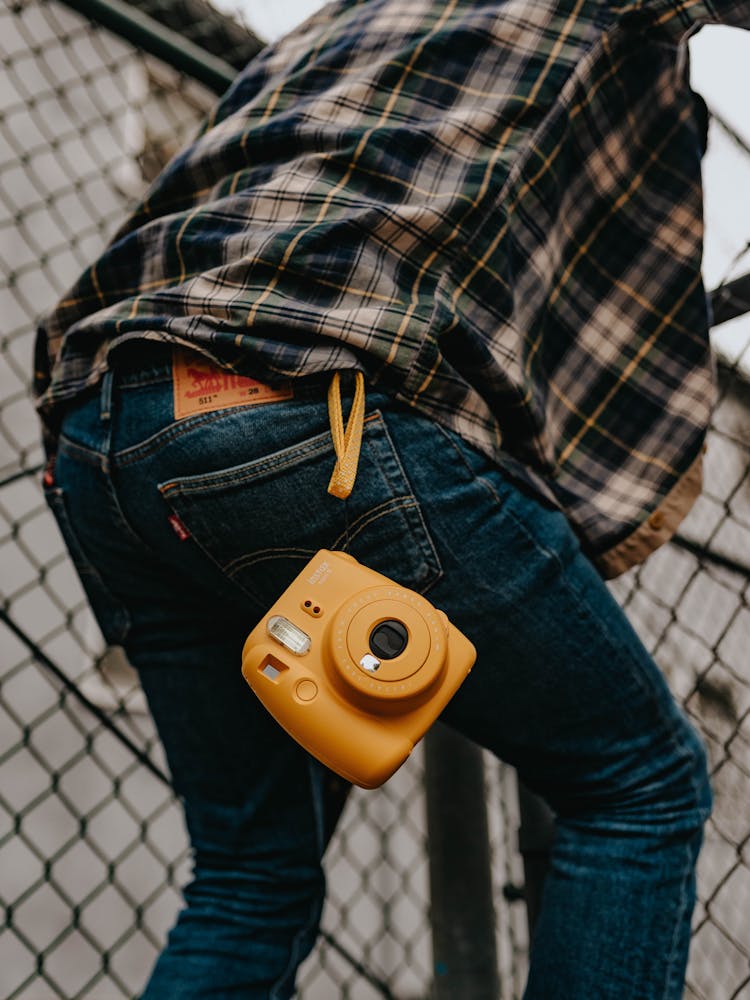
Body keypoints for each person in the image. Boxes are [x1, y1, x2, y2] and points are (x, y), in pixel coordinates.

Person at [34, 0, 748, 996]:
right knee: (639, 785)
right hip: (316, 405)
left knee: (250, 879)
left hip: (106, 428)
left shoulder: (345, 24)